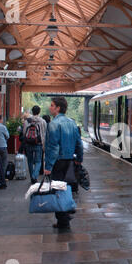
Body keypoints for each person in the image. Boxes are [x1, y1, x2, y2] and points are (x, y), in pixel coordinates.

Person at [44, 97, 83, 230]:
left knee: (58, 190)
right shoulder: (72, 122)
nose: (50, 107)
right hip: (69, 160)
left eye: (52, 105)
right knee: (66, 188)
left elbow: (53, 147)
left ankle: (63, 221)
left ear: (58, 108)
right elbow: (79, 143)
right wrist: (79, 158)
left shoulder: (54, 124)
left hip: (58, 162)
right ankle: (65, 216)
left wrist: (48, 166)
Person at [23, 106, 47, 184]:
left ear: (32, 112)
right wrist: (43, 145)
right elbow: (44, 134)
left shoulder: (27, 121)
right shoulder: (42, 121)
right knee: (38, 161)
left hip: (28, 143)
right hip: (38, 144)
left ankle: (31, 177)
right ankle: (34, 176)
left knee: (30, 161)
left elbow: (24, 133)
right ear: (39, 112)